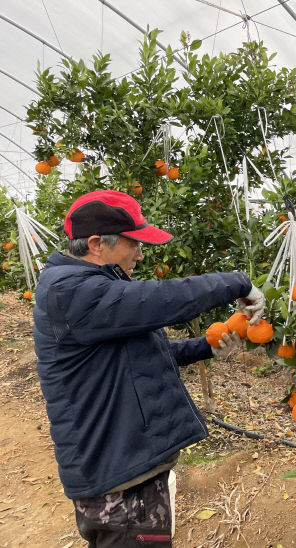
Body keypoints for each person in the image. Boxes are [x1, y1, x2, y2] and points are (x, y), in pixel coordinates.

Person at [33, 190, 265, 547]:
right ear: (96, 244)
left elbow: (138, 356)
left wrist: (205, 347)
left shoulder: (88, 292)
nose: (141, 255)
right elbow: (163, 298)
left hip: (125, 467)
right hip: (119, 484)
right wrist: (238, 283)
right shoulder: (72, 292)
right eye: (134, 244)